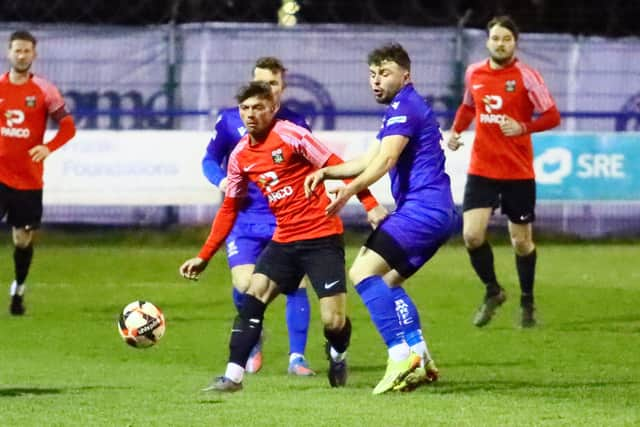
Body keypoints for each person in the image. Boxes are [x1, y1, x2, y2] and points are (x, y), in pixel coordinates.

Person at [180, 81, 385, 392]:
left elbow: (338, 168)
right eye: (245, 109)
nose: (251, 114)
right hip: (285, 238)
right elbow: (229, 208)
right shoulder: (239, 156)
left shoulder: (293, 135)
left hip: (322, 237)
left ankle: (338, 352)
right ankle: (233, 376)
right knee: (253, 298)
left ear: (272, 109)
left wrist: (369, 203)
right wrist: (204, 255)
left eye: (258, 108)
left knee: (333, 321)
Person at [305, 43, 459, 394]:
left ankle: (400, 356)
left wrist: (349, 191)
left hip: (422, 210)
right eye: (373, 74)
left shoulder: (405, 106)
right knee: (388, 283)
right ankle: (420, 356)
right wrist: (328, 172)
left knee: (361, 272)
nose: (376, 81)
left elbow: (386, 160)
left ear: (406, 75)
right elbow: (368, 158)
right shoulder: (400, 109)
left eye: (384, 74)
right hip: (435, 213)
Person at [446, 16, 561, 328]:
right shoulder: (474, 72)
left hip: (518, 171)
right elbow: (469, 106)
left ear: (515, 43)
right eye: (495, 38)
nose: (500, 43)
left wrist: (524, 126)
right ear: (487, 41)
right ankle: (493, 290)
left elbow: (552, 115)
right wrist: (456, 131)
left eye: (506, 39)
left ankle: (527, 301)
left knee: (521, 242)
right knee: (471, 235)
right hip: (482, 168)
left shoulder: (526, 76)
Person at [202, 57, 314, 375]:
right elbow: (209, 159)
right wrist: (223, 181)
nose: (267, 89)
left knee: (297, 283)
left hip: (286, 218)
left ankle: (297, 358)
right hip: (245, 222)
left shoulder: (296, 124)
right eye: (262, 83)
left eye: (273, 84)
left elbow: (311, 166)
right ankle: (253, 339)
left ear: (283, 86)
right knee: (246, 283)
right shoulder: (231, 122)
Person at [0, 30, 76, 315]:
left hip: (29, 180)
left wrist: (48, 147)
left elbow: (68, 126)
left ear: (34, 54)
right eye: (17, 50)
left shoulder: (44, 90)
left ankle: (18, 290)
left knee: (22, 239)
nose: (21, 55)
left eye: (26, 51)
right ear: (9, 53)